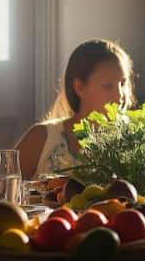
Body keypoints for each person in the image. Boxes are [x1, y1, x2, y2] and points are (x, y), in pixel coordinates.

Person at [14, 39, 135, 179]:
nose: (120, 94)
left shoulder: (132, 143)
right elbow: (3, 195)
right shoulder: (41, 138)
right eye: (108, 85)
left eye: (123, 83)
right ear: (80, 87)